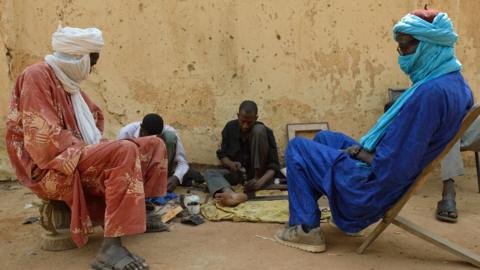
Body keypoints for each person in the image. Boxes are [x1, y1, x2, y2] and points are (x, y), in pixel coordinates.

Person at [275, 9, 473, 253]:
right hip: (382, 174)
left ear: (427, 45)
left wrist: (358, 153)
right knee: (326, 138)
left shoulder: (429, 94)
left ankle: (305, 228)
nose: (401, 56)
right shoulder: (455, 82)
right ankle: (320, 214)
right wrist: (358, 152)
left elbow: (394, 169)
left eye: (404, 47)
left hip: (370, 190)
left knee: (297, 148)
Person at [5, 26, 168, 269]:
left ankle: (139, 212)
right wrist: (92, 148)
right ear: (78, 58)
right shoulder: (36, 76)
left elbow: (95, 118)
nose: (91, 70)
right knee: (124, 151)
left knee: (153, 144)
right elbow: (43, 140)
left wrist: (94, 147)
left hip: (74, 152)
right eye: (91, 63)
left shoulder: (68, 83)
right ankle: (110, 248)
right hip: (48, 166)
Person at [386, 98, 480, 223]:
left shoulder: (457, 87)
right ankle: (449, 193)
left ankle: (449, 194)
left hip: (466, 130)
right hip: (440, 132)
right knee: (449, 130)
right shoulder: (424, 90)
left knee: (465, 115)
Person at [203, 100, 282, 206]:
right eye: (242, 121)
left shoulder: (265, 132)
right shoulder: (230, 128)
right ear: (238, 116)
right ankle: (230, 194)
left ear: (256, 118)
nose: (245, 126)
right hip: (239, 176)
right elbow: (223, 155)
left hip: (259, 177)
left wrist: (259, 182)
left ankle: (252, 181)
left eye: (249, 122)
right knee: (209, 173)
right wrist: (231, 164)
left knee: (259, 130)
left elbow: (274, 166)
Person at [117, 113, 203, 192]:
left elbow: (182, 162)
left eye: (155, 139)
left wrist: (175, 178)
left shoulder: (169, 132)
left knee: (170, 137)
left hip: (160, 170)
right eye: (148, 138)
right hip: (135, 171)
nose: (151, 142)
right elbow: (119, 162)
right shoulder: (126, 133)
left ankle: (161, 179)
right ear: (141, 129)